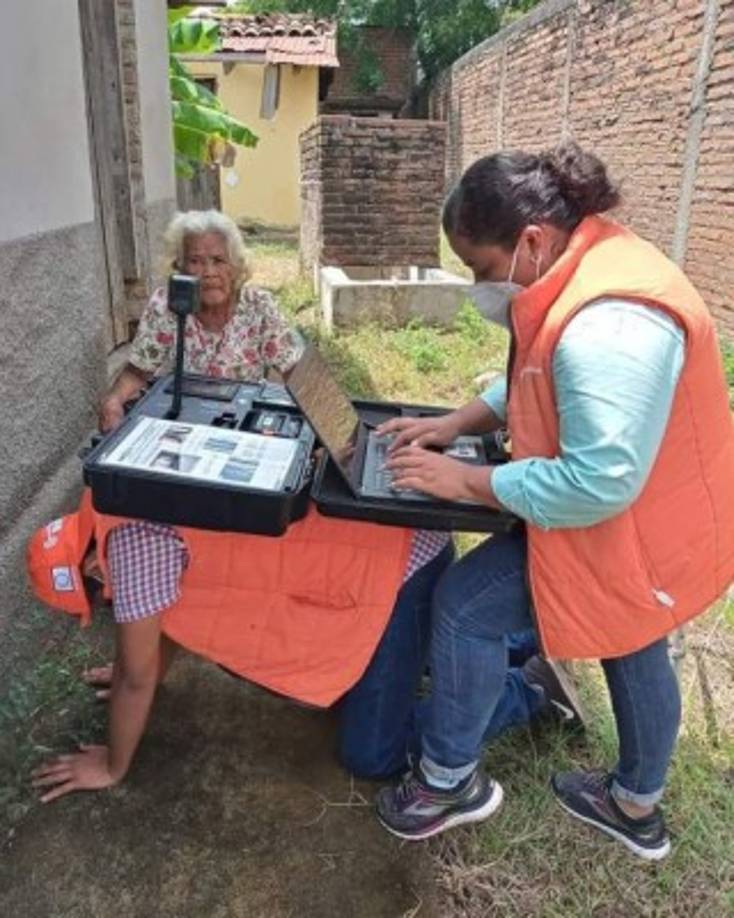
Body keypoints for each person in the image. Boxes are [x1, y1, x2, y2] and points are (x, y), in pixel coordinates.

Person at [374, 141, 734, 860]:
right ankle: (635, 806)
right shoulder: (585, 267)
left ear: (531, 241)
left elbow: (597, 481)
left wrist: (467, 481)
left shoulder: (611, 322)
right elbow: (540, 373)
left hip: (629, 522)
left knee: (466, 606)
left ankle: (447, 783)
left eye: (480, 268)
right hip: (651, 519)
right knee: (633, 639)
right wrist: (457, 423)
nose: (478, 286)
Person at [98, 209, 302, 432]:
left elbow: (295, 371)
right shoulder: (166, 305)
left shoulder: (259, 306)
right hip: (182, 421)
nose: (208, 272)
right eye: (195, 261)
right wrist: (113, 401)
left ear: (235, 266)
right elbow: (138, 372)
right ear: (180, 267)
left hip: (240, 422)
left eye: (219, 260)